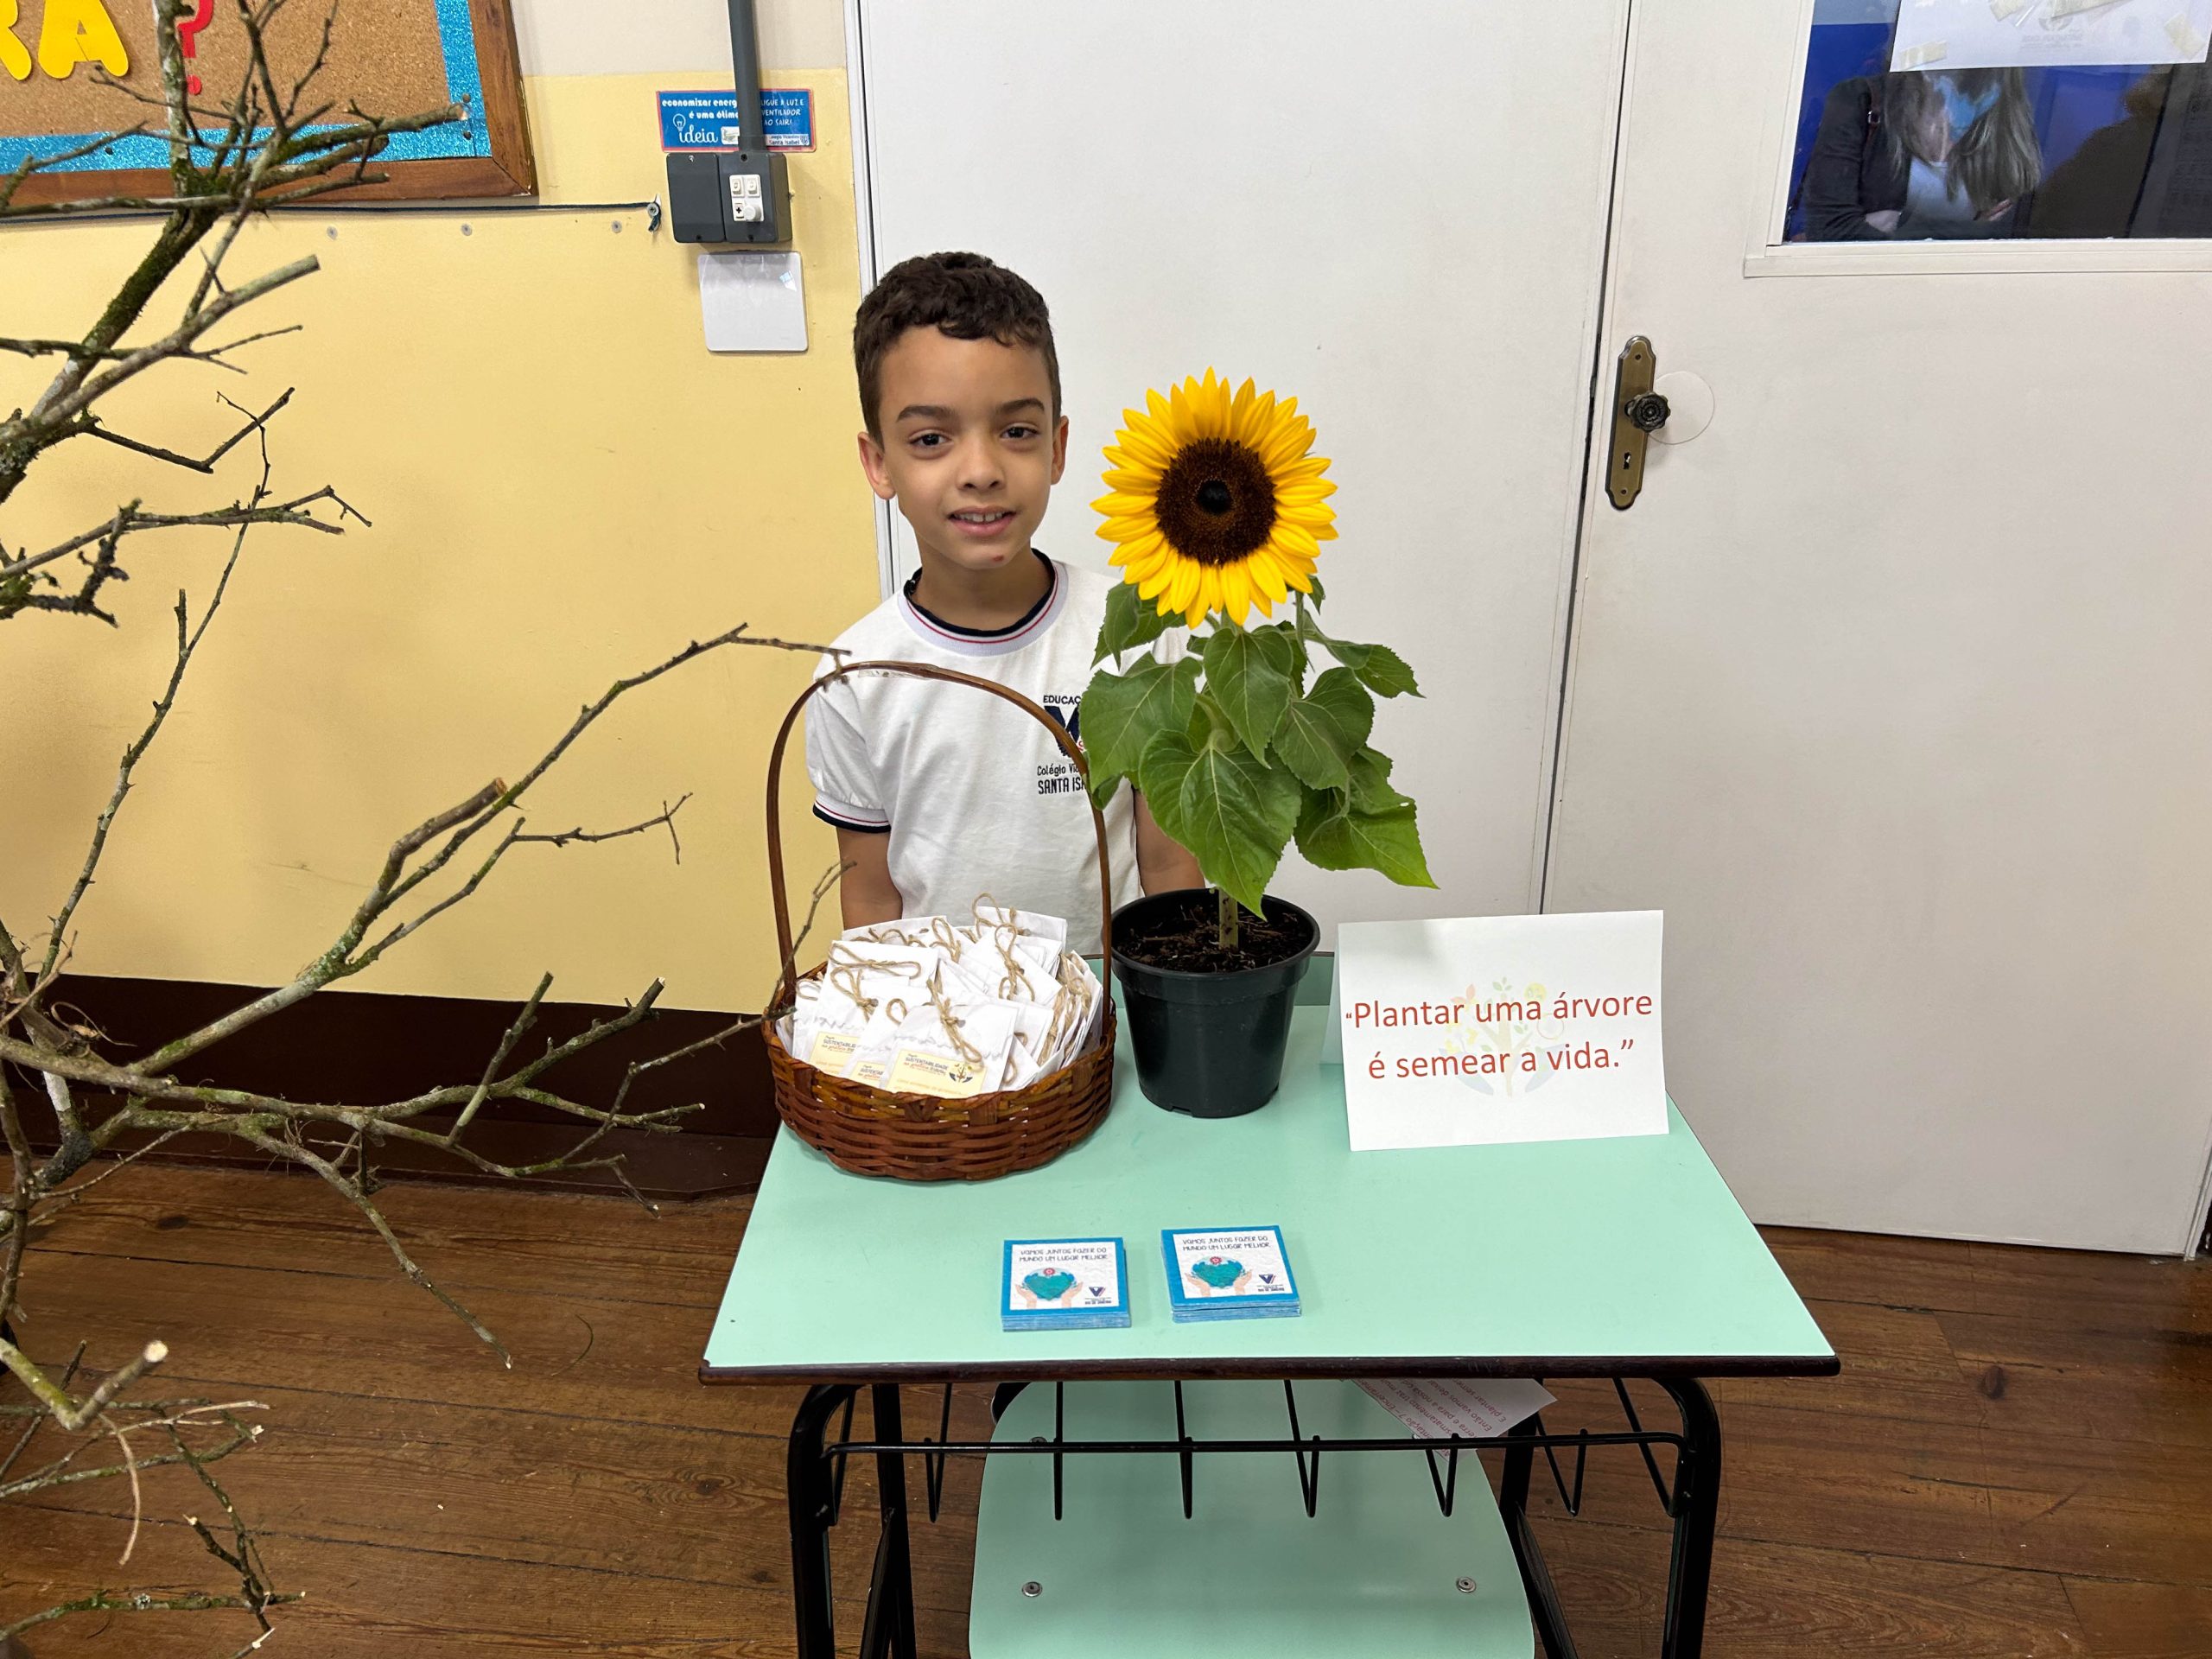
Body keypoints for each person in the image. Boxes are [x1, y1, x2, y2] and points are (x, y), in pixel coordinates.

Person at [805, 251, 1203, 953]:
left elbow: (1170, 865)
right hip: (940, 1013)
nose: (982, 471)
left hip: (1107, 1006)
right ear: (879, 463)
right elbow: (871, 896)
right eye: (931, 439)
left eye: (1016, 432)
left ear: (1057, 447)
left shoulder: (1138, 634)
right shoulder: (854, 679)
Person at [1802, 67, 2041, 240]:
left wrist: (1899, 223)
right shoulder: (1861, 100)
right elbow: (1828, 229)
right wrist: (1968, 231)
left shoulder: (2007, 116)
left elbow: (2017, 235)